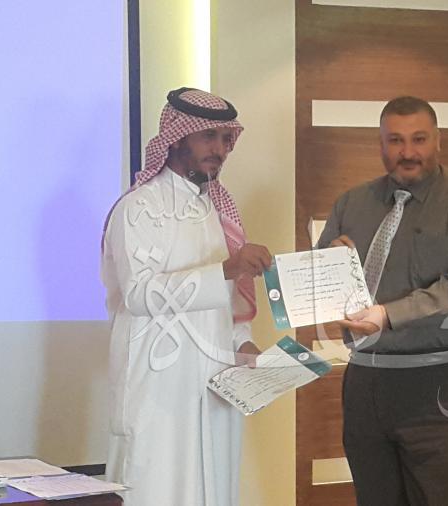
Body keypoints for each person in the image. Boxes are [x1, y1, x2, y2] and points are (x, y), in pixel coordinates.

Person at [317, 96, 448, 505]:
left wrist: (388, 315)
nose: (408, 152)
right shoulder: (352, 203)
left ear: (438, 140)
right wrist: (328, 266)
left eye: (419, 139)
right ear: (380, 144)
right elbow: (321, 281)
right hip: (368, 384)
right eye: (395, 140)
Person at [101, 87, 272, 506]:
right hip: (159, 385)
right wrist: (227, 268)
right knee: (157, 488)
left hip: (217, 382)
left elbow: (230, 299)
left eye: (226, 139)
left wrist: (243, 343)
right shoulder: (139, 208)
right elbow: (139, 294)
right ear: (177, 137)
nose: (220, 149)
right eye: (208, 137)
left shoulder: (217, 209)